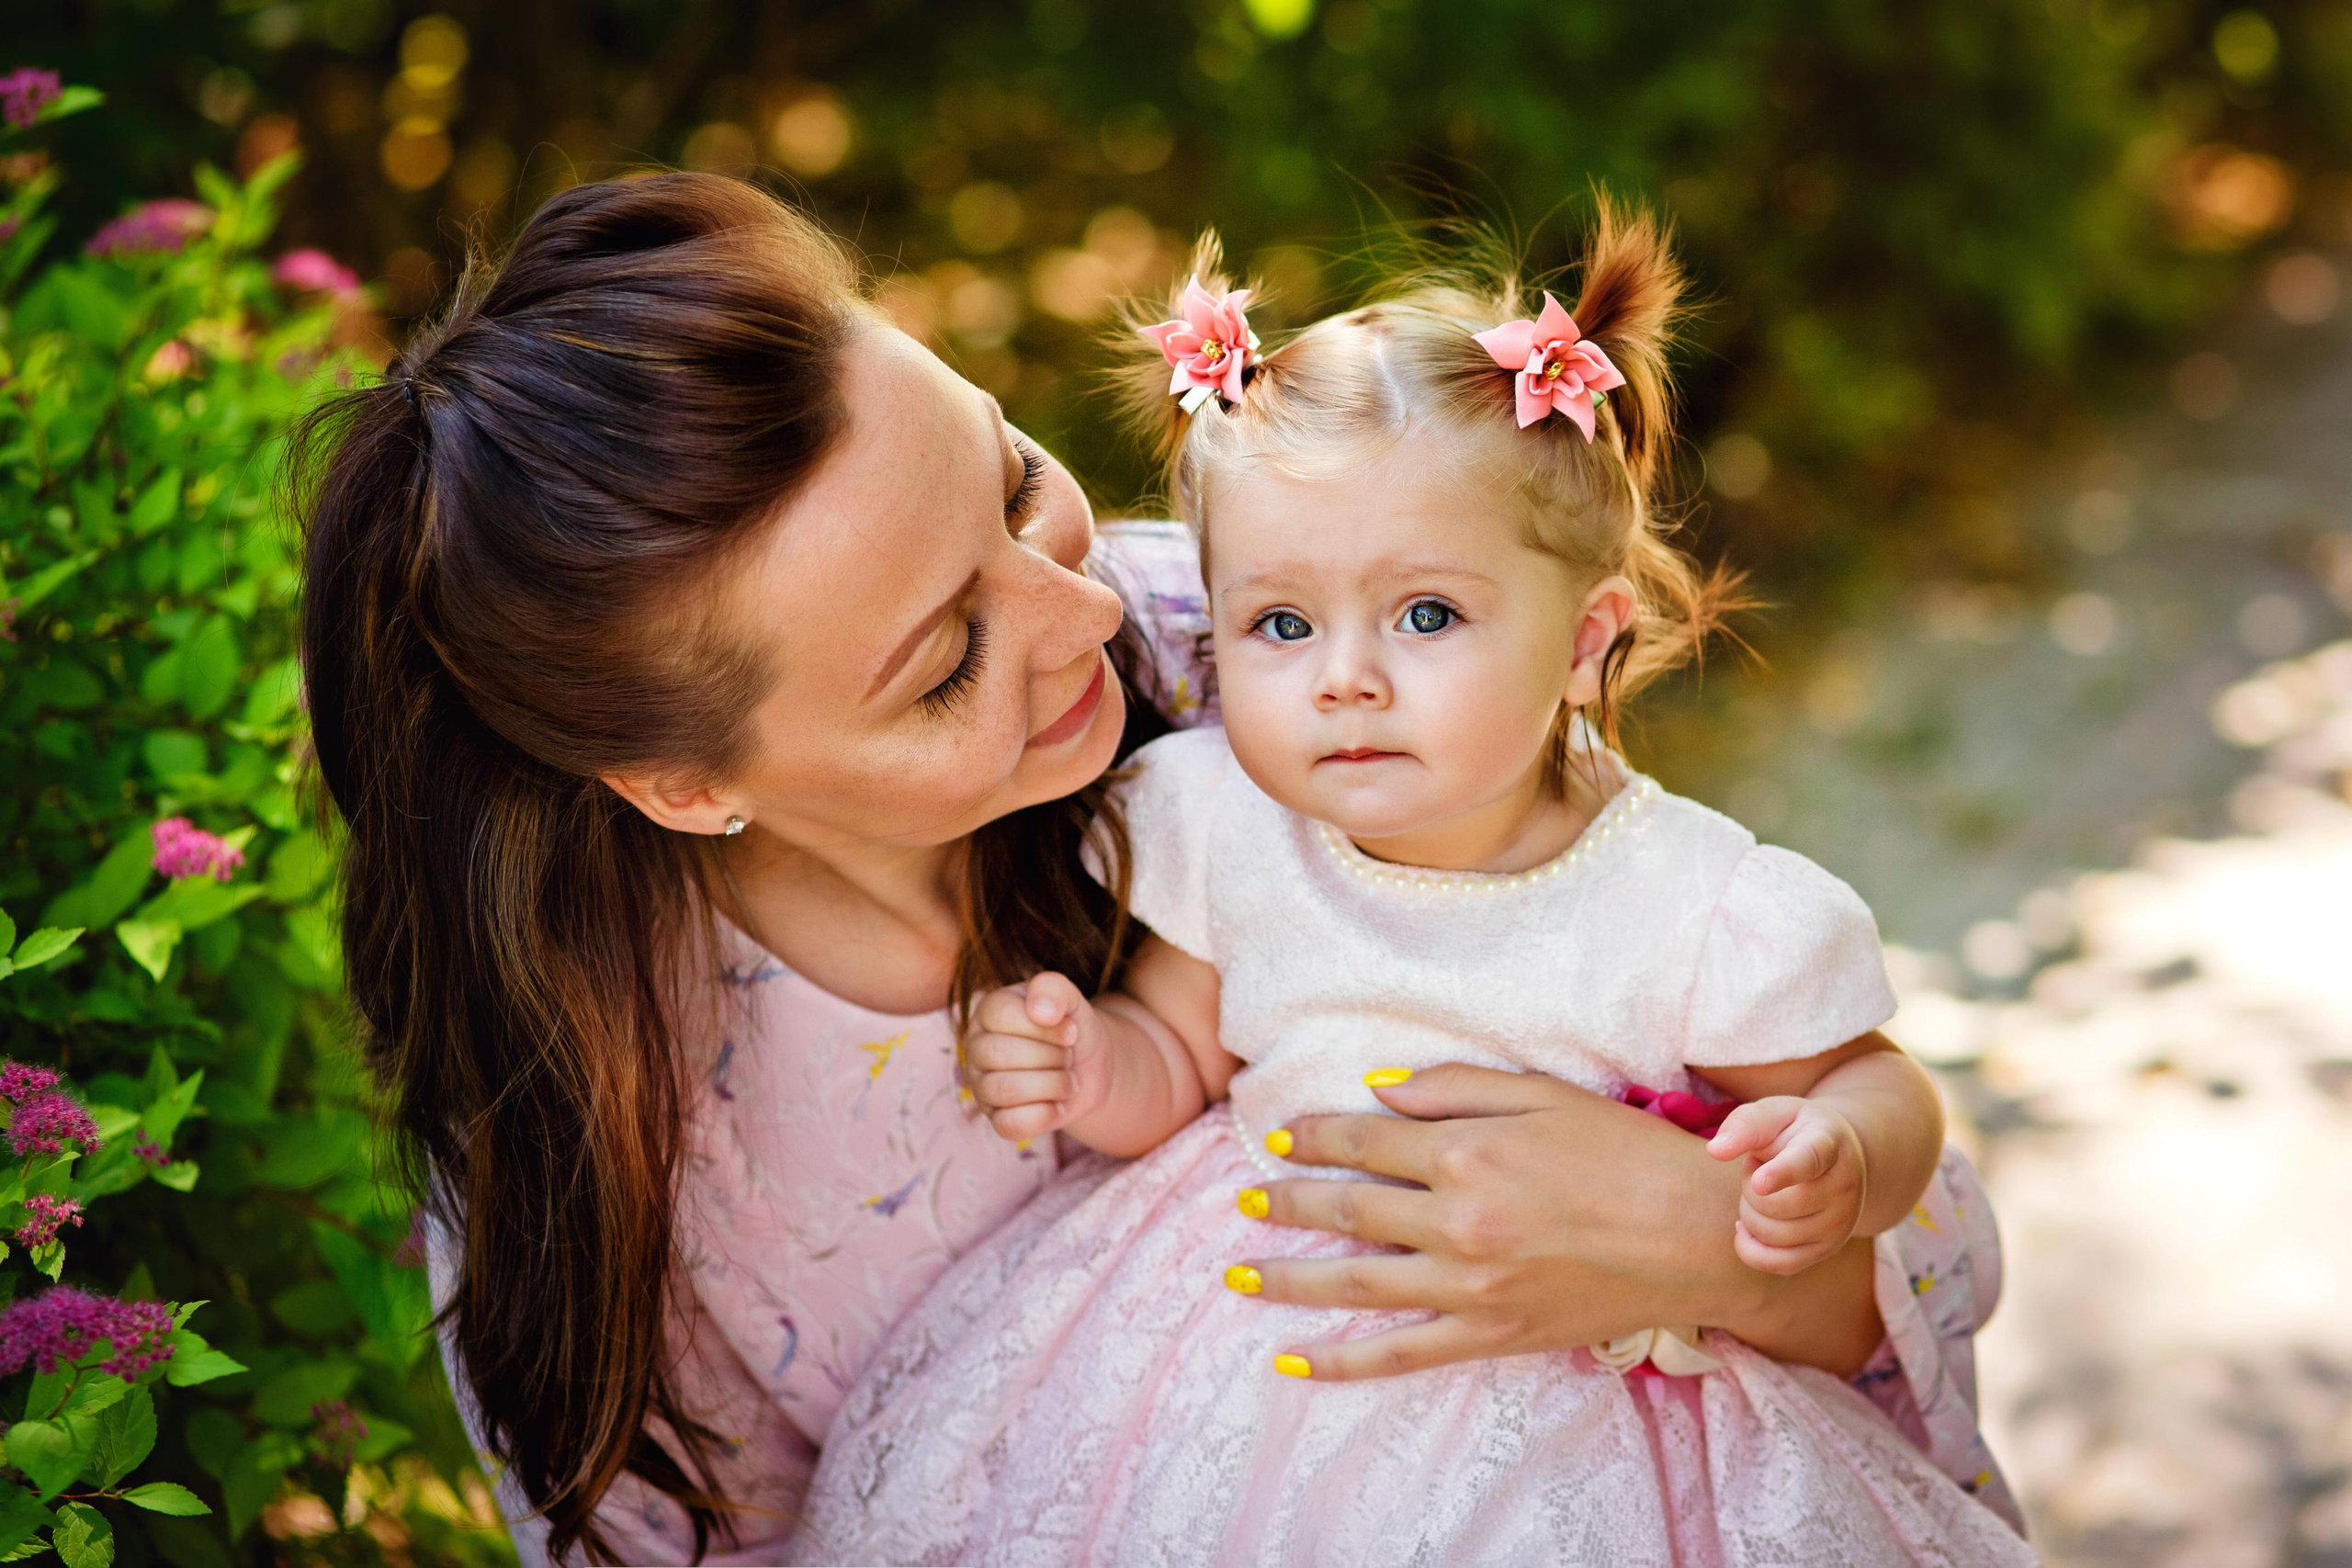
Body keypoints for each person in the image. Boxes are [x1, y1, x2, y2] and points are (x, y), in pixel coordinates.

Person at [290, 172, 2010, 1566]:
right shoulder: (606, 1130)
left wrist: (1709, 1242)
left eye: (1017, 486)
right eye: (945, 662)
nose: (1091, 614)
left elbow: (1858, 1173)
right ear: (685, 785)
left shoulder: (1265, 645)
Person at [785, 211, 2031, 1566]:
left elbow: (1877, 1083)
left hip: (1581, 1382)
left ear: (1583, 641)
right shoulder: (1231, 825)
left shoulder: (1692, 902)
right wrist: (1093, 1065)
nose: (1344, 677)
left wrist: (1839, 1154)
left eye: (1426, 616)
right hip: (1234, 1358)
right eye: (1280, 624)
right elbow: (1180, 1061)